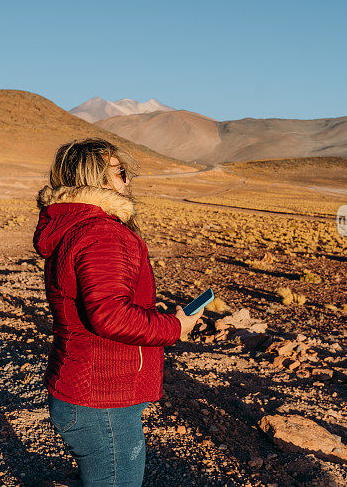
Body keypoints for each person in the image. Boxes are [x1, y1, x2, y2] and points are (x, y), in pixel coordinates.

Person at [33, 138, 203, 486]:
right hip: (103, 397)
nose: (128, 181)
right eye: (121, 173)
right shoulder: (103, 233)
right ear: (99, 180)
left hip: (83, 388)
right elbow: (110, 315)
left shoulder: (73, 227)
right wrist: (175, 327)